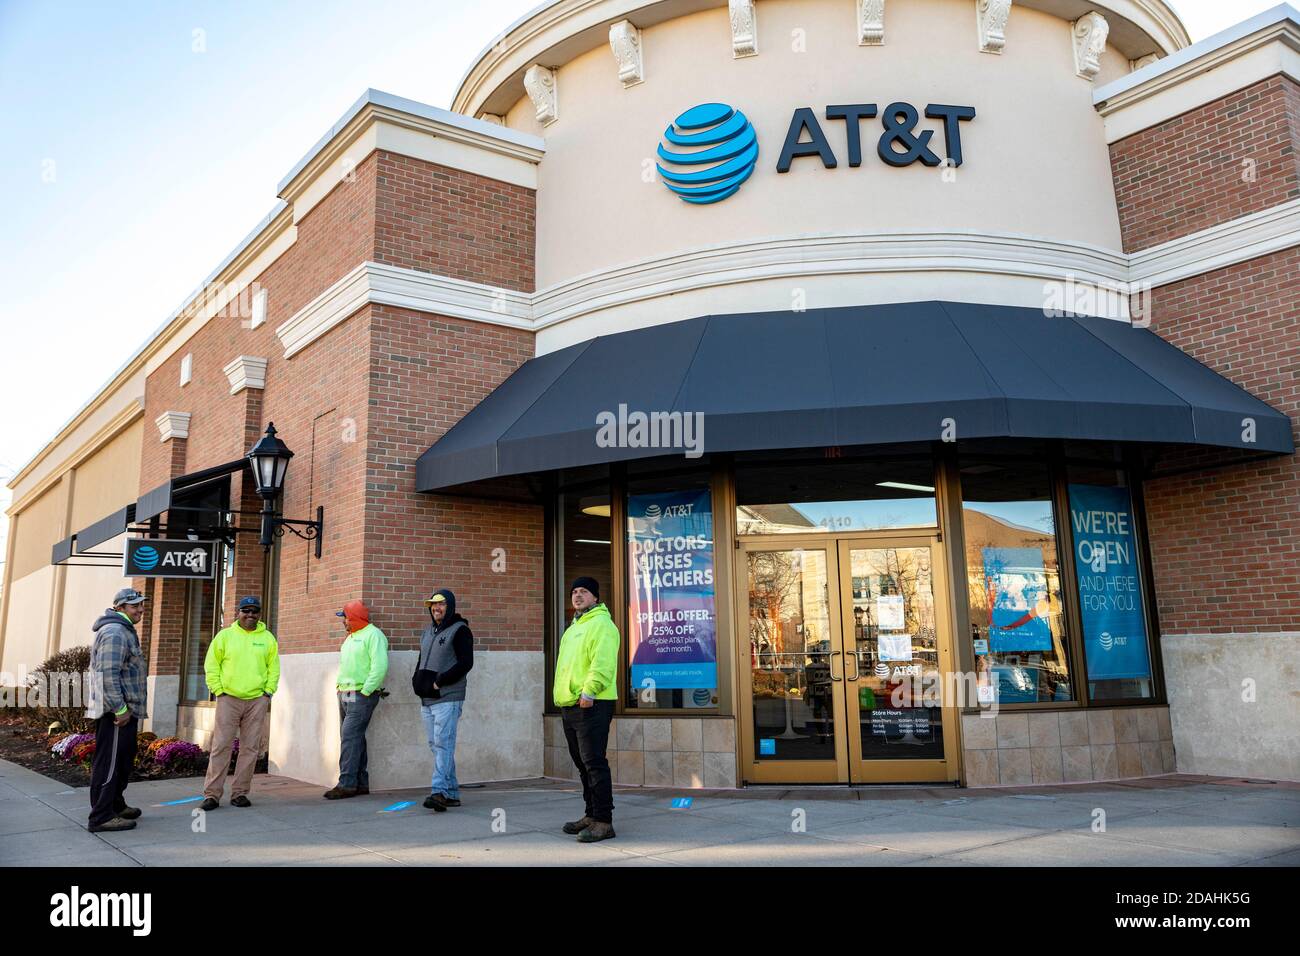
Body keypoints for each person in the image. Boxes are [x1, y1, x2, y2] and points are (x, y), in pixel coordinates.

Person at [553, 576, 620, 843]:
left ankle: (604, 821)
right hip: (570, 704)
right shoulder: (573, 628)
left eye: (584, 591)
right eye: (575, 591)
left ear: (595, 597)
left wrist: (589, 691)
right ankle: (591, 815)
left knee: (594, 763)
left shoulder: (602, 624)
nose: (578, 595)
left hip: (592, 703)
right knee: (583, 764)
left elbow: (602, 662)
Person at [200, 596, 280, 810]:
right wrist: (219, 690)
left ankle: (240, 793)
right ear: (238, 612)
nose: (250, 615)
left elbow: (274, 668)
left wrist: (267, 692)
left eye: (255, 611)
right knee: (221, 746)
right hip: (229, 698)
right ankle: (212, 794)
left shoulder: (268, 638)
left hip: (257, 700)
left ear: (260, 614)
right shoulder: (224, 636)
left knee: (250, 748)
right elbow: (212, 665)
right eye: (246, 611)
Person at [85, 587, 149, 833]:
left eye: (141, 605)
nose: (140, 610)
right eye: (135, 606)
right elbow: (107, 675)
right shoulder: (115, 632)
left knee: (122, 760)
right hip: (115, 714)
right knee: (110, 764)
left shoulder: (124, 630)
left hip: (124, 711)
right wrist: (120, 709)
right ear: (119, 607)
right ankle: (100, 816)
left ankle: (115, 805)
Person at [414, 588, 474, 812]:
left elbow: (465, 663)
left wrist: (440, 681)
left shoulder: (460, 630)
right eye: (433, 605)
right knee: (437, 745)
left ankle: (438, 791)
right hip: (427, 699)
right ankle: (451, 793)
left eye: (441, 604)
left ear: (450, 607)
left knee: (443, 744)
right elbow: (421, 660)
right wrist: (416, 681)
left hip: (448, 697)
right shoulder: (428, 631)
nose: (437, 609)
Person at [324, 599, 388, 799]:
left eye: (345, 618)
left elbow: (380, 666)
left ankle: (346, 784)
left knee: (350, 736)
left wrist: (367, 690)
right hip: (346, 692)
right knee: (353, 737)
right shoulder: (350, 638)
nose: (343, 622)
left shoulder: (374, 635)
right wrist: (339, 688)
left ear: (354, 617)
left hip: (361, 694)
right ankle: (360, 783)